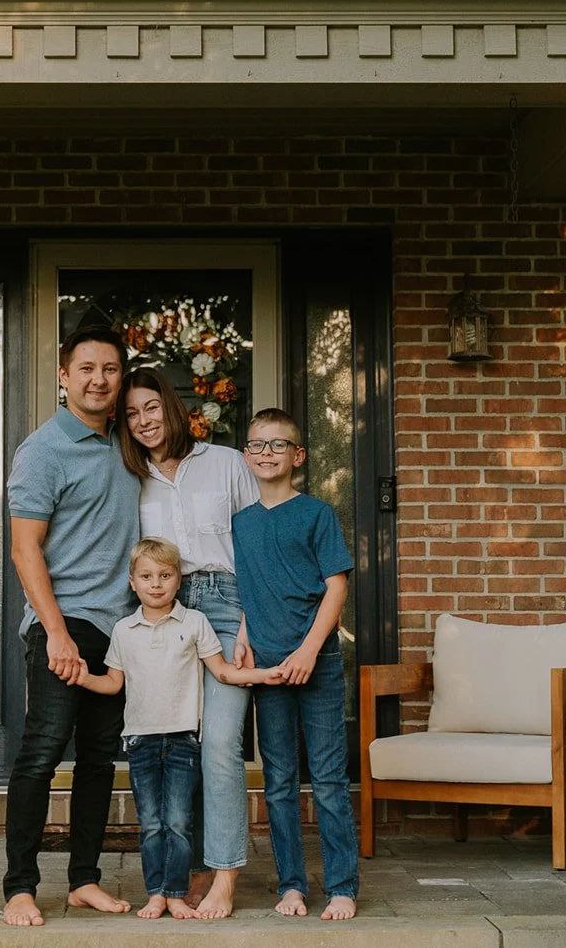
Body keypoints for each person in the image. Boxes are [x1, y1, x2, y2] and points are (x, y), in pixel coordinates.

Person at [1, 326, 141, 927]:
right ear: (64, 377)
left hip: (122, 627)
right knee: (43, 751)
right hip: (66, 623)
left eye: (109, 369)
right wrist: (54, 632)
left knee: (99, 760)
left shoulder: (128, 445)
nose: (98, 379)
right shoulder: (43, 449)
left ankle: (84, 880)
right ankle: (19, 887)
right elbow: (24, 551)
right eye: (85, 368)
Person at [72, 537, 281, 919]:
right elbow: (113, 684)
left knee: (179, 822)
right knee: (151, 823)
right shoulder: (123, 630)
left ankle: (175, 892)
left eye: (165, 575)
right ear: (132, 582)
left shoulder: (195, 622)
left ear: (179, 579)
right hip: (140, 742)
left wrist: (264, 674)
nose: (156, 584)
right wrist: (84, 678)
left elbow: (222, 671)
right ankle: (156, 892)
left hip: (184, 739)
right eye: (146, 576)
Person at [116, 366, 260, 919]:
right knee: (180, 741)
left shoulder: (225, 463)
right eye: (131, 414)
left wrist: (249, 622)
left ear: (172, 407)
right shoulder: (132, 480)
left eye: (150, 407)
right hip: (165, 612)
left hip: (227, 606)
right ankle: (190, 871)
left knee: (222, 740)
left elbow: (256, 546)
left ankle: (224, 875)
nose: (143, 421)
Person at [232, 408, 359, 922]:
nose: (266, 452)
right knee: (279, 780)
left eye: (277, 444)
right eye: (257, 445)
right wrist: (243, 635)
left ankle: (343, 887)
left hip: (318, 662)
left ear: (297, 456)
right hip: (267, 668)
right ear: (246, 455)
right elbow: (249, 589)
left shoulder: (316, 514)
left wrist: (309, 650)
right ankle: (291, 885)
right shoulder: (241, 522)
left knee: (328, 779)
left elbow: (337, 586)